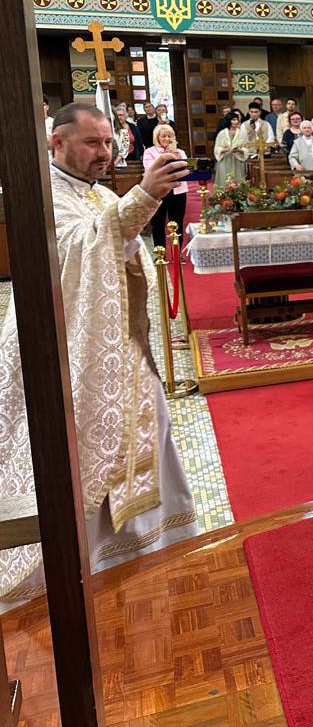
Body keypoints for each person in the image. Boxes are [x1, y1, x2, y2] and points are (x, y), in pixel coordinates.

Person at [0, 103, 199, 609]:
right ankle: (90, 561)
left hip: (118, 346)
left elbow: (114, 239)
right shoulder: (42, 196)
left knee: (148, 427)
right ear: (57, 142)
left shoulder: (97, 194)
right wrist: (143, 197)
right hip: (70, 356)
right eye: (93, 144)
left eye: (109, 143)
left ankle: (151, 543)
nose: (104, 154)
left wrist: (132, 210)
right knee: (87, 443)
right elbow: (75, 248)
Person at [142, 124, 190, 249]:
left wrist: (175, 155)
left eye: (170, 136)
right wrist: (166, 157)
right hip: (159, 192)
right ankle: (160, 252)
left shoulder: (180, 152)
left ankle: (177, 253)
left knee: (177, 222)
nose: (167, 139)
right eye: (163, 136)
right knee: (158, 223)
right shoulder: (149, 152)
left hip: (178, 191)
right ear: (157, 137)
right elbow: (150, 169)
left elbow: (186, 168)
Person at [214, 111, 247, 183]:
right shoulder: (222, 133)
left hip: (237, 160)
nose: (236, 122)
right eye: (233, 120)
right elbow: (217, 149)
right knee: (225, 182)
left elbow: (246, 148)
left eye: (237, 120)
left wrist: (239, 150)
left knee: (238, 182)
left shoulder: (242, 133)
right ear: (229, 121)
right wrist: (226, 149)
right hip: (225, 160)